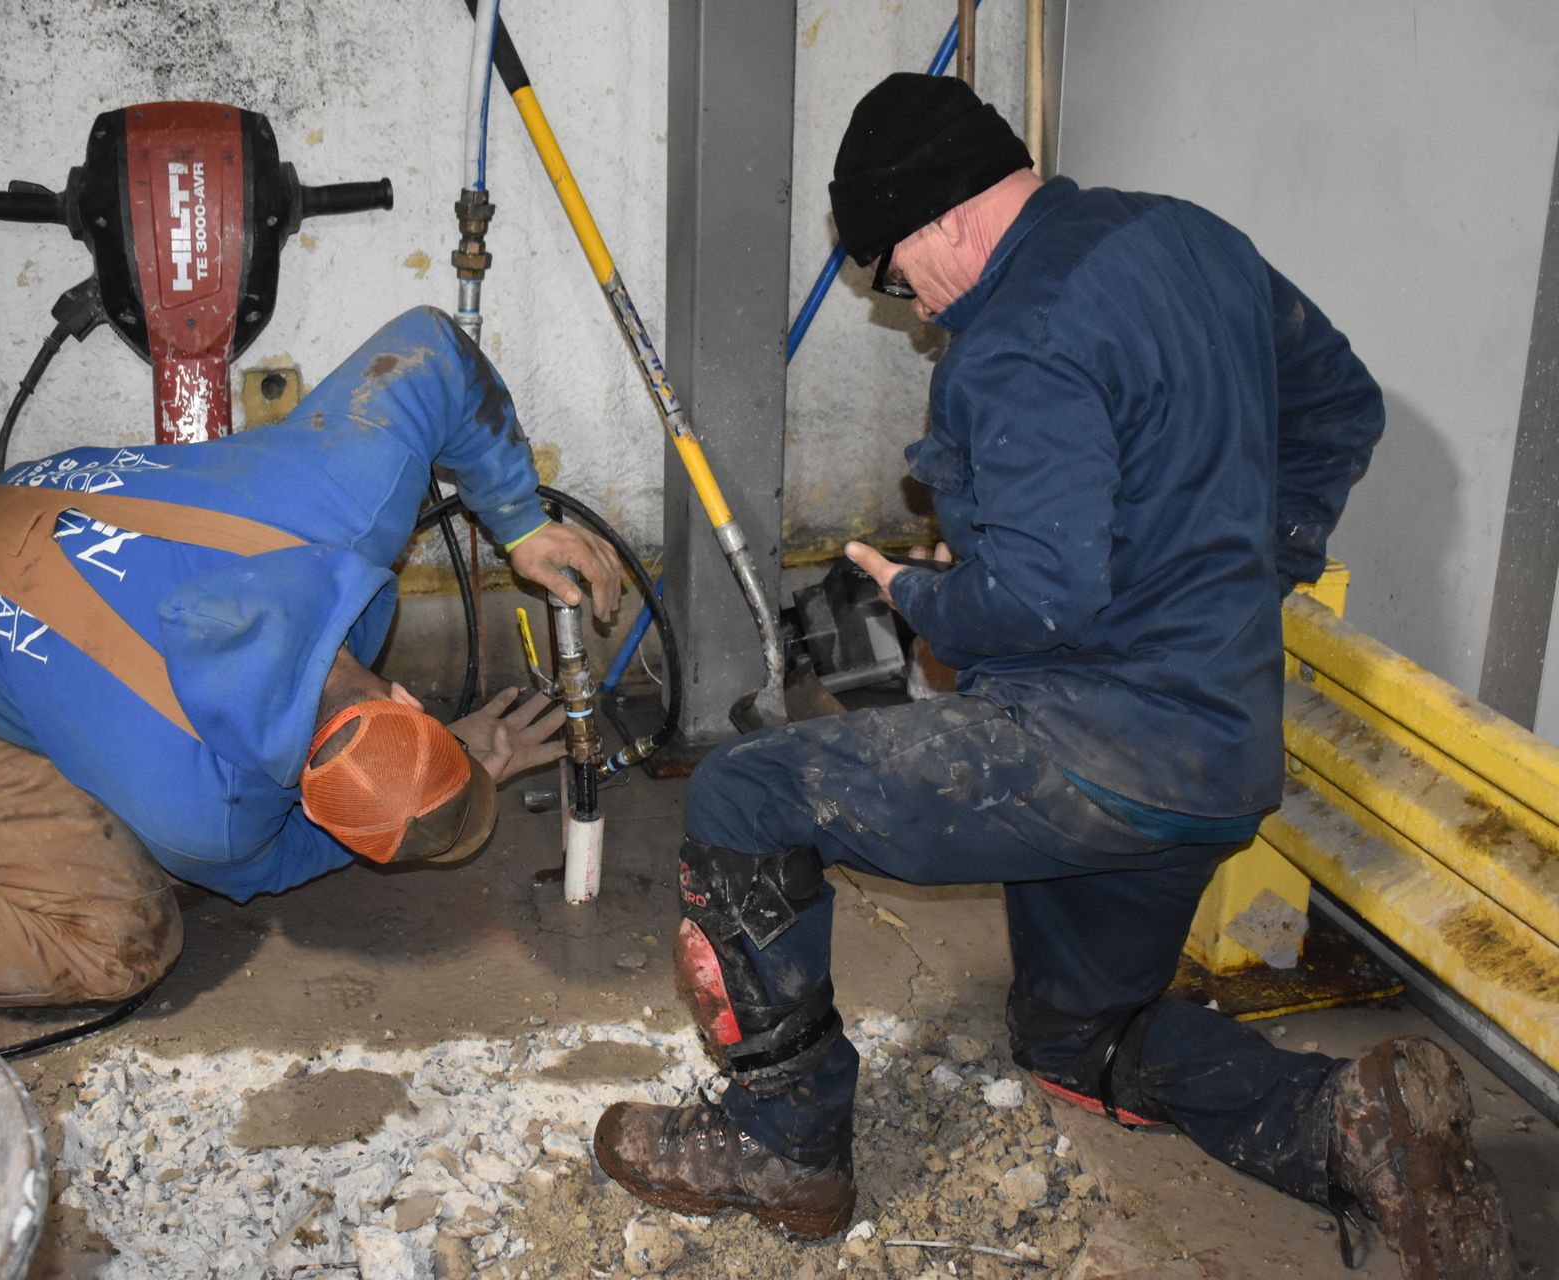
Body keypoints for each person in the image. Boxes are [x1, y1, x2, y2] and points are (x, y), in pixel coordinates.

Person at [592, 74, 1517, 1279]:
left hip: (1092, 750)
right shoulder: (1196, 242)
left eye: (889, 275)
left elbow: (1035, 602)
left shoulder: (1013, 335)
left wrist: (917, 595)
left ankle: (782, 1140)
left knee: (740, 797)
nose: (912, 310)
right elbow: (1336, 399)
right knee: (1077, 1037)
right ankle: (1343, 1121)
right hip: (1217, 754)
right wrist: (1249, 567)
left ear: (934, 219)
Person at [0, 306, 622, 1009]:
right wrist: (438, 775)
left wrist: (521, 521)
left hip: (2, 539)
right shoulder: (212, 817)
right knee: (121, 933)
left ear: (405, 694)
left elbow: (435, 352)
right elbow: (270, 860)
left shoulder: (342, 512)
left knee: (70, 758)